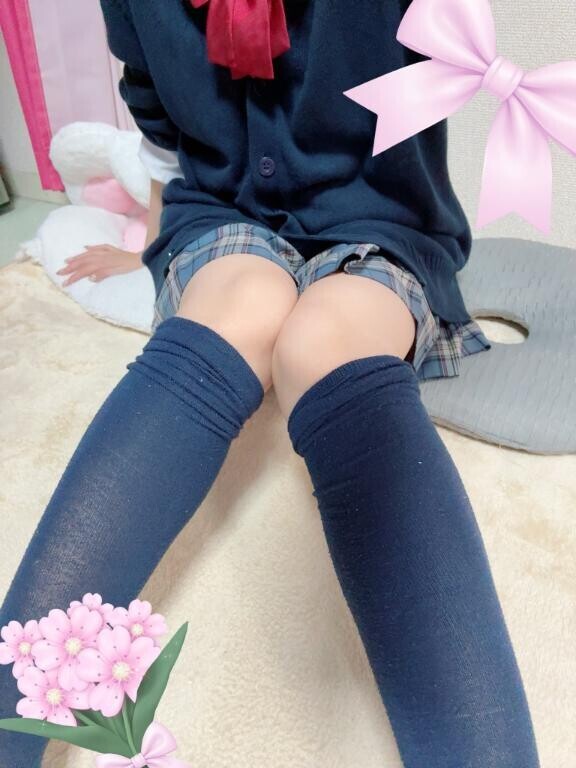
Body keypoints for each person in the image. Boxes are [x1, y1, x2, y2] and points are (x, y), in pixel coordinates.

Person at [0, 1, 541, 766]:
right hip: (218, 218)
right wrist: (149, 245)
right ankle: (12, 718)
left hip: (381, 226)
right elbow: (158, 124)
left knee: (325, 344)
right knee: (243, 307)